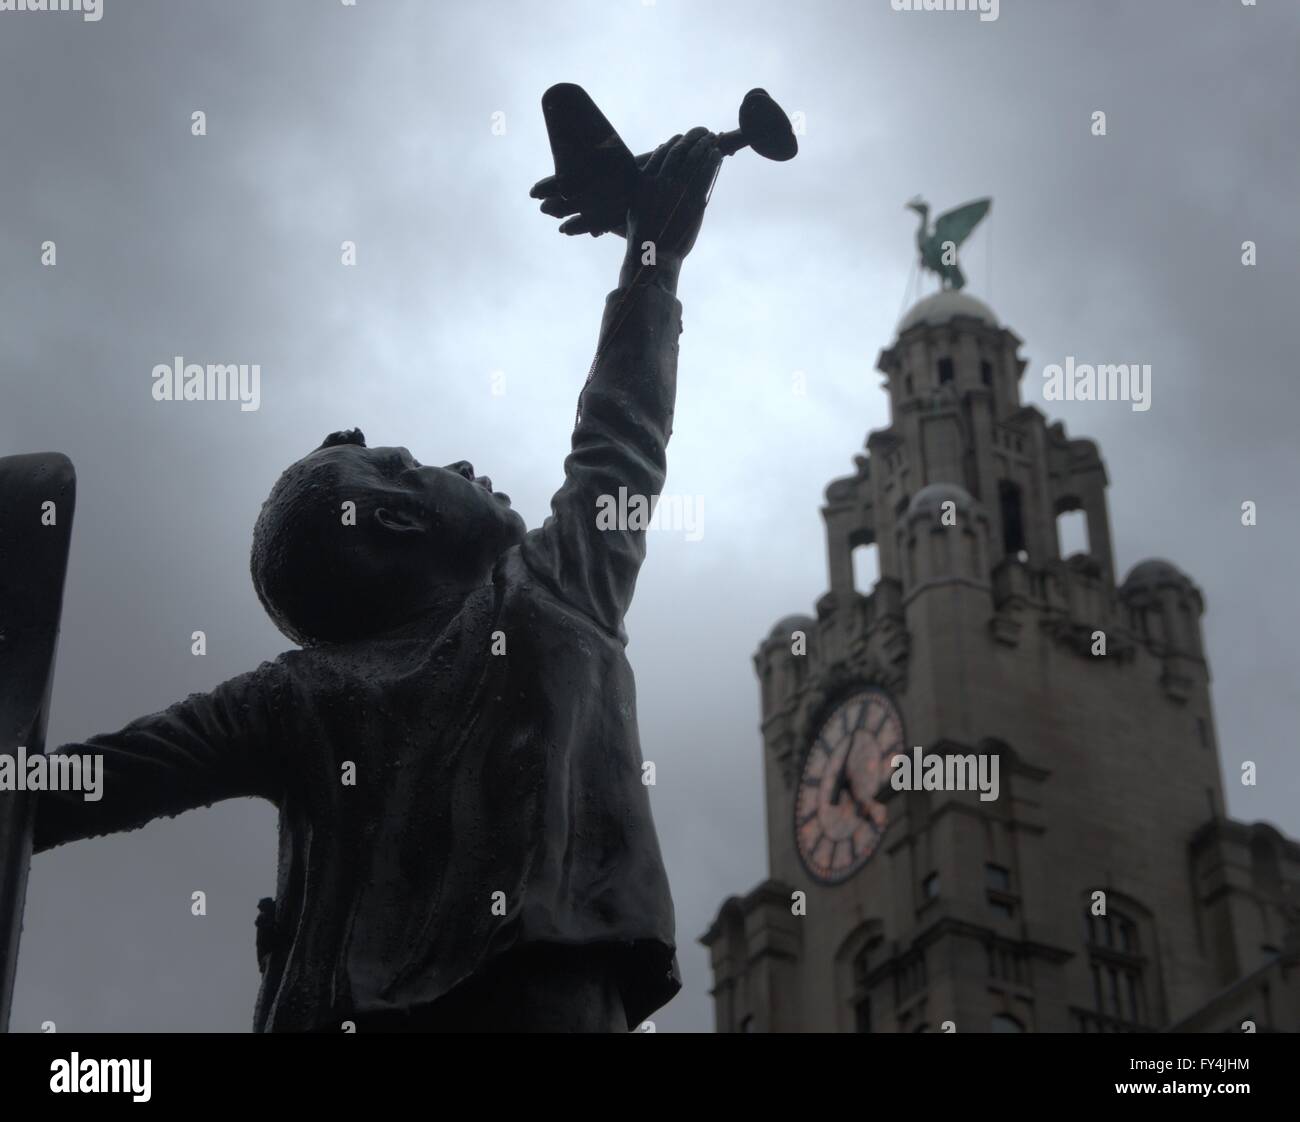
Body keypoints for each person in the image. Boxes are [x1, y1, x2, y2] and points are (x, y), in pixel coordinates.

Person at [34, 127, 723, 1033]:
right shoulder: (549, 594)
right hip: (545, 1000)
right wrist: (652, 257)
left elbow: (92, 781)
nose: (468, 464)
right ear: (397, 519)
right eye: (421, 464)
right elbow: (621, 433)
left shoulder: (294, 696)